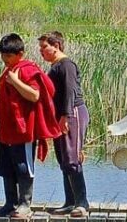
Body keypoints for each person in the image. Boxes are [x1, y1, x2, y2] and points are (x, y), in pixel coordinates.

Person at [0, 33, 60, 220]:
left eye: (8, 56)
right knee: (6, 167)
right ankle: (10, 203)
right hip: (6, 130)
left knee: (23, 167)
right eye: (3, 55)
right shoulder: (9, 70)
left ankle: (25, 204)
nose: (5, 59)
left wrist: (15, 81)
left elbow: (35, 95)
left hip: (23, 129)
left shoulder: (27, 69)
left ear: (20, 53)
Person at [40, 32, 91, 218]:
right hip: (61, 115)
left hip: (73, 113)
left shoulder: (66, 65)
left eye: (44, 47)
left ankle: (82, 203)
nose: (41, 51)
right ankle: (70, 202)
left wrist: (66, 116)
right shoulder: (54, 67)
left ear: (56, 46)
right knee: (63, 159)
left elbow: (70, 91)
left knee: (72, 158)